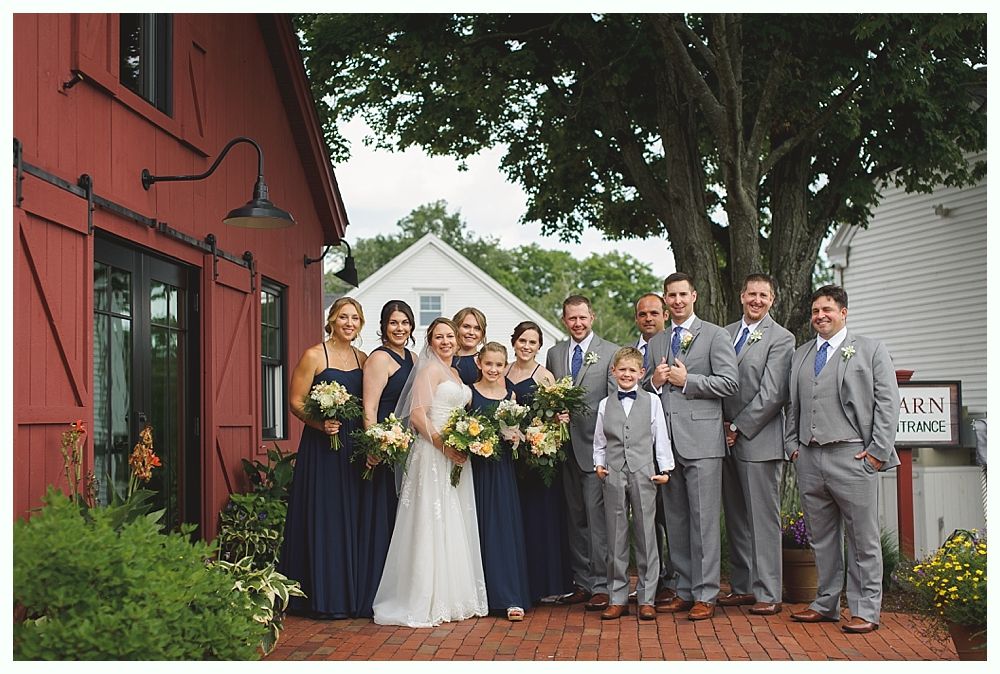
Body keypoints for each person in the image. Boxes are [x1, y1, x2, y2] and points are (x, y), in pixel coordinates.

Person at [785, 285, 900, 634]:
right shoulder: (801, 354)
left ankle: (865, 609)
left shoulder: (870, 349)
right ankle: (825, 603)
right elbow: (794, 405)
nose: (820, 316)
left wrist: (877, 453)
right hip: (810, 457)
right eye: (816, 310)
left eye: (828, 310)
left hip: (853, 456)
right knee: (822, 537)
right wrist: (793, 445)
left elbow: (888, 403)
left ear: (843, 312)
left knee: (862, 538)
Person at [372, 317, 488, 627]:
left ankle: (453, 595)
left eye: (450, 336)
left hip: (456, 453)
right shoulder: (429, 370)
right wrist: (442, 445)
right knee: (432, 519)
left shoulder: (455, 372)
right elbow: (417, 415)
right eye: (439, 337)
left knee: (454, 520)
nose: (447, 341)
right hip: (433, 453)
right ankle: (427, 597)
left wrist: (466, 440)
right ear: (430, 341)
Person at [644, 272, 738, 621]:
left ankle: (706, 593)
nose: (677, 300)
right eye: (671, 295)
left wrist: (689, 381)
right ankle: (684, 589)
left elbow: (730, 382)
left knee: (703, 521)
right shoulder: (656, 342)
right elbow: (642, 390)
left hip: (702, 443)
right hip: (666, 446)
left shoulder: (715, 335)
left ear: (694, 296)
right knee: (677, 520)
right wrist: (653, 381)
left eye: (683, 294)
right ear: (666, 300)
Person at [279, 297, 368, 619]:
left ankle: (350, 594)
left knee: (353, 516)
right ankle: (319, 596)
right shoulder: (314, 355)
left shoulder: (363, 358)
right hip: (322, 446)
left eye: (355, 318)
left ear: (360, 324)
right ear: (331, 319)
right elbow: (295, 401)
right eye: (343, 317)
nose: (349, 323)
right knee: (325, 515)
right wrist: (320, 423)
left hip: (353, 447)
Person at [720, 274, 794, 616]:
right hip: (722, 439)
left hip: (758, 440)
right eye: (752, 294)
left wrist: (738, 426)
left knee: (762, 519)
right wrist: (721, 427)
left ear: (772, 300)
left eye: (763, 295)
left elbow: (773, 394)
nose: (757, 300)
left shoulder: (781, 338)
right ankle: (743, 586)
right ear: (741, 295)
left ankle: (768, 592)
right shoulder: (725, 333)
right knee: (736, 516)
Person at [545, 295, 620, 612]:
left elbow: (615, 403)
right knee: (575, 519)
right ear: (564, 320)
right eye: (571, 318)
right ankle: (582, 582)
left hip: (596, 449)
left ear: (593, 317)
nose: (577, 323)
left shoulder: (610, 352)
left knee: (598, 520)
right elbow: (550, 398)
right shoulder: (555, 353)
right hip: (564, 449)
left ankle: (603, 584)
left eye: (582, 318)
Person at [593, 347, 673, 621]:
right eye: (621, 370)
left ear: (641, 373)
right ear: (613, 372)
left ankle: (646, 597)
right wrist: (599, 464)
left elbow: (659, 436)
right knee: (615, 535)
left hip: (643, 472)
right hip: (614, 473)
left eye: (632, 370)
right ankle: (617, 597)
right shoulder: (605, 404)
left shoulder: (652, 402)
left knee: (646, 534)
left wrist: (665, 468)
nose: (626, 375)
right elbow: (600, 441)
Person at [505, 321, 572, 604]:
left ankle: (548, 584)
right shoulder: (503, 370)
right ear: (514, 341)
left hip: (539, 453)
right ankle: (522, 581)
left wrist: (547, 433)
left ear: (539, 347)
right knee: (517, 519)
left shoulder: (544, 375)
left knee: (541, 518)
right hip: (511, 454)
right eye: (522, 341)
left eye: (532, 343)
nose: (526, 347)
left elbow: (556, 416)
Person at [357, 300, 416, 618]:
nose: (400, 328)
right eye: (394, 322)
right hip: (385, 447)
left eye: (405, 322)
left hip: (407, 448)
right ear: (383, 326)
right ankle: (373, 590)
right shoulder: (379, 359)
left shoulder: (413, 357)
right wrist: (376, 445)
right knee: (381, 518)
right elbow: (370, 408)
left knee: (401, 520)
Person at [469, 341, 532, 621]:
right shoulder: (469, 395)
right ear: (479, 363)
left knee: (502, 530)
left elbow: (517, 431)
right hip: (475, 472)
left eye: (498, 364)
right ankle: (479, 597)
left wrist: (516, 439)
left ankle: (509, 596)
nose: (493, 369)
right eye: (488, 364)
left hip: (502, 471)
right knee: (476, 531)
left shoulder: (512, 394)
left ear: (504, 366)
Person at [633, 292, 676, 607]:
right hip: (635, 451)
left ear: (664, 315)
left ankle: (674, 580)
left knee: (671, 517)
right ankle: (651, 579)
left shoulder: (675, 348)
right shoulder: (630, 353)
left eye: (654, 313)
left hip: (670, 446)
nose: (648, 319)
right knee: (645, 519)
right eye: (642, 314)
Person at [452, 307, 487, 385]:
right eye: (466, 326)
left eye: (477, 328)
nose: (471, 332)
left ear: (482, 333)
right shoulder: (444, 360)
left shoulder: (487, 360)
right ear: (455, 328)